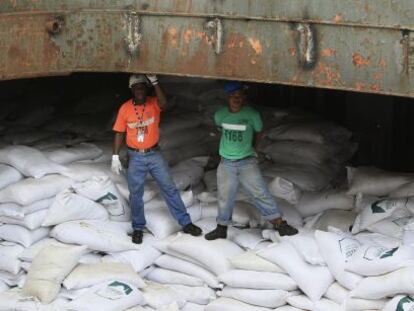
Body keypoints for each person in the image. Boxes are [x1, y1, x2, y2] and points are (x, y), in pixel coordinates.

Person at [111, 74, 202, 244]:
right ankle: (138, 227)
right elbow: (119, 133)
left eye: (143, 86)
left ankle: (185, 222)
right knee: (136, 194)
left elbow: (164, 103)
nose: (140, 90)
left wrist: (155, 82)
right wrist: (115, 155)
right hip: (135, 156)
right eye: (136, 87)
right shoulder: (125, 109)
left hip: (154, 154)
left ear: (147, 89)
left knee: (169, 188)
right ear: (132, 90)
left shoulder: (154, 103)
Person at [205, 81, 298, 240]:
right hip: (226, 162)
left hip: (247, 161)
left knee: (260, 193)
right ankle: (221, 228)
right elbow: (221, 130)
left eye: (239, 96)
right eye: (233, 96)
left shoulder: (252, 114)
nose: (236, 99)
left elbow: (258, 132)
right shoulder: (220, 115)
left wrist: (253, 148)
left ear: (243, 98)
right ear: (228, 98)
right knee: (225, 196)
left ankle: (280, 224)